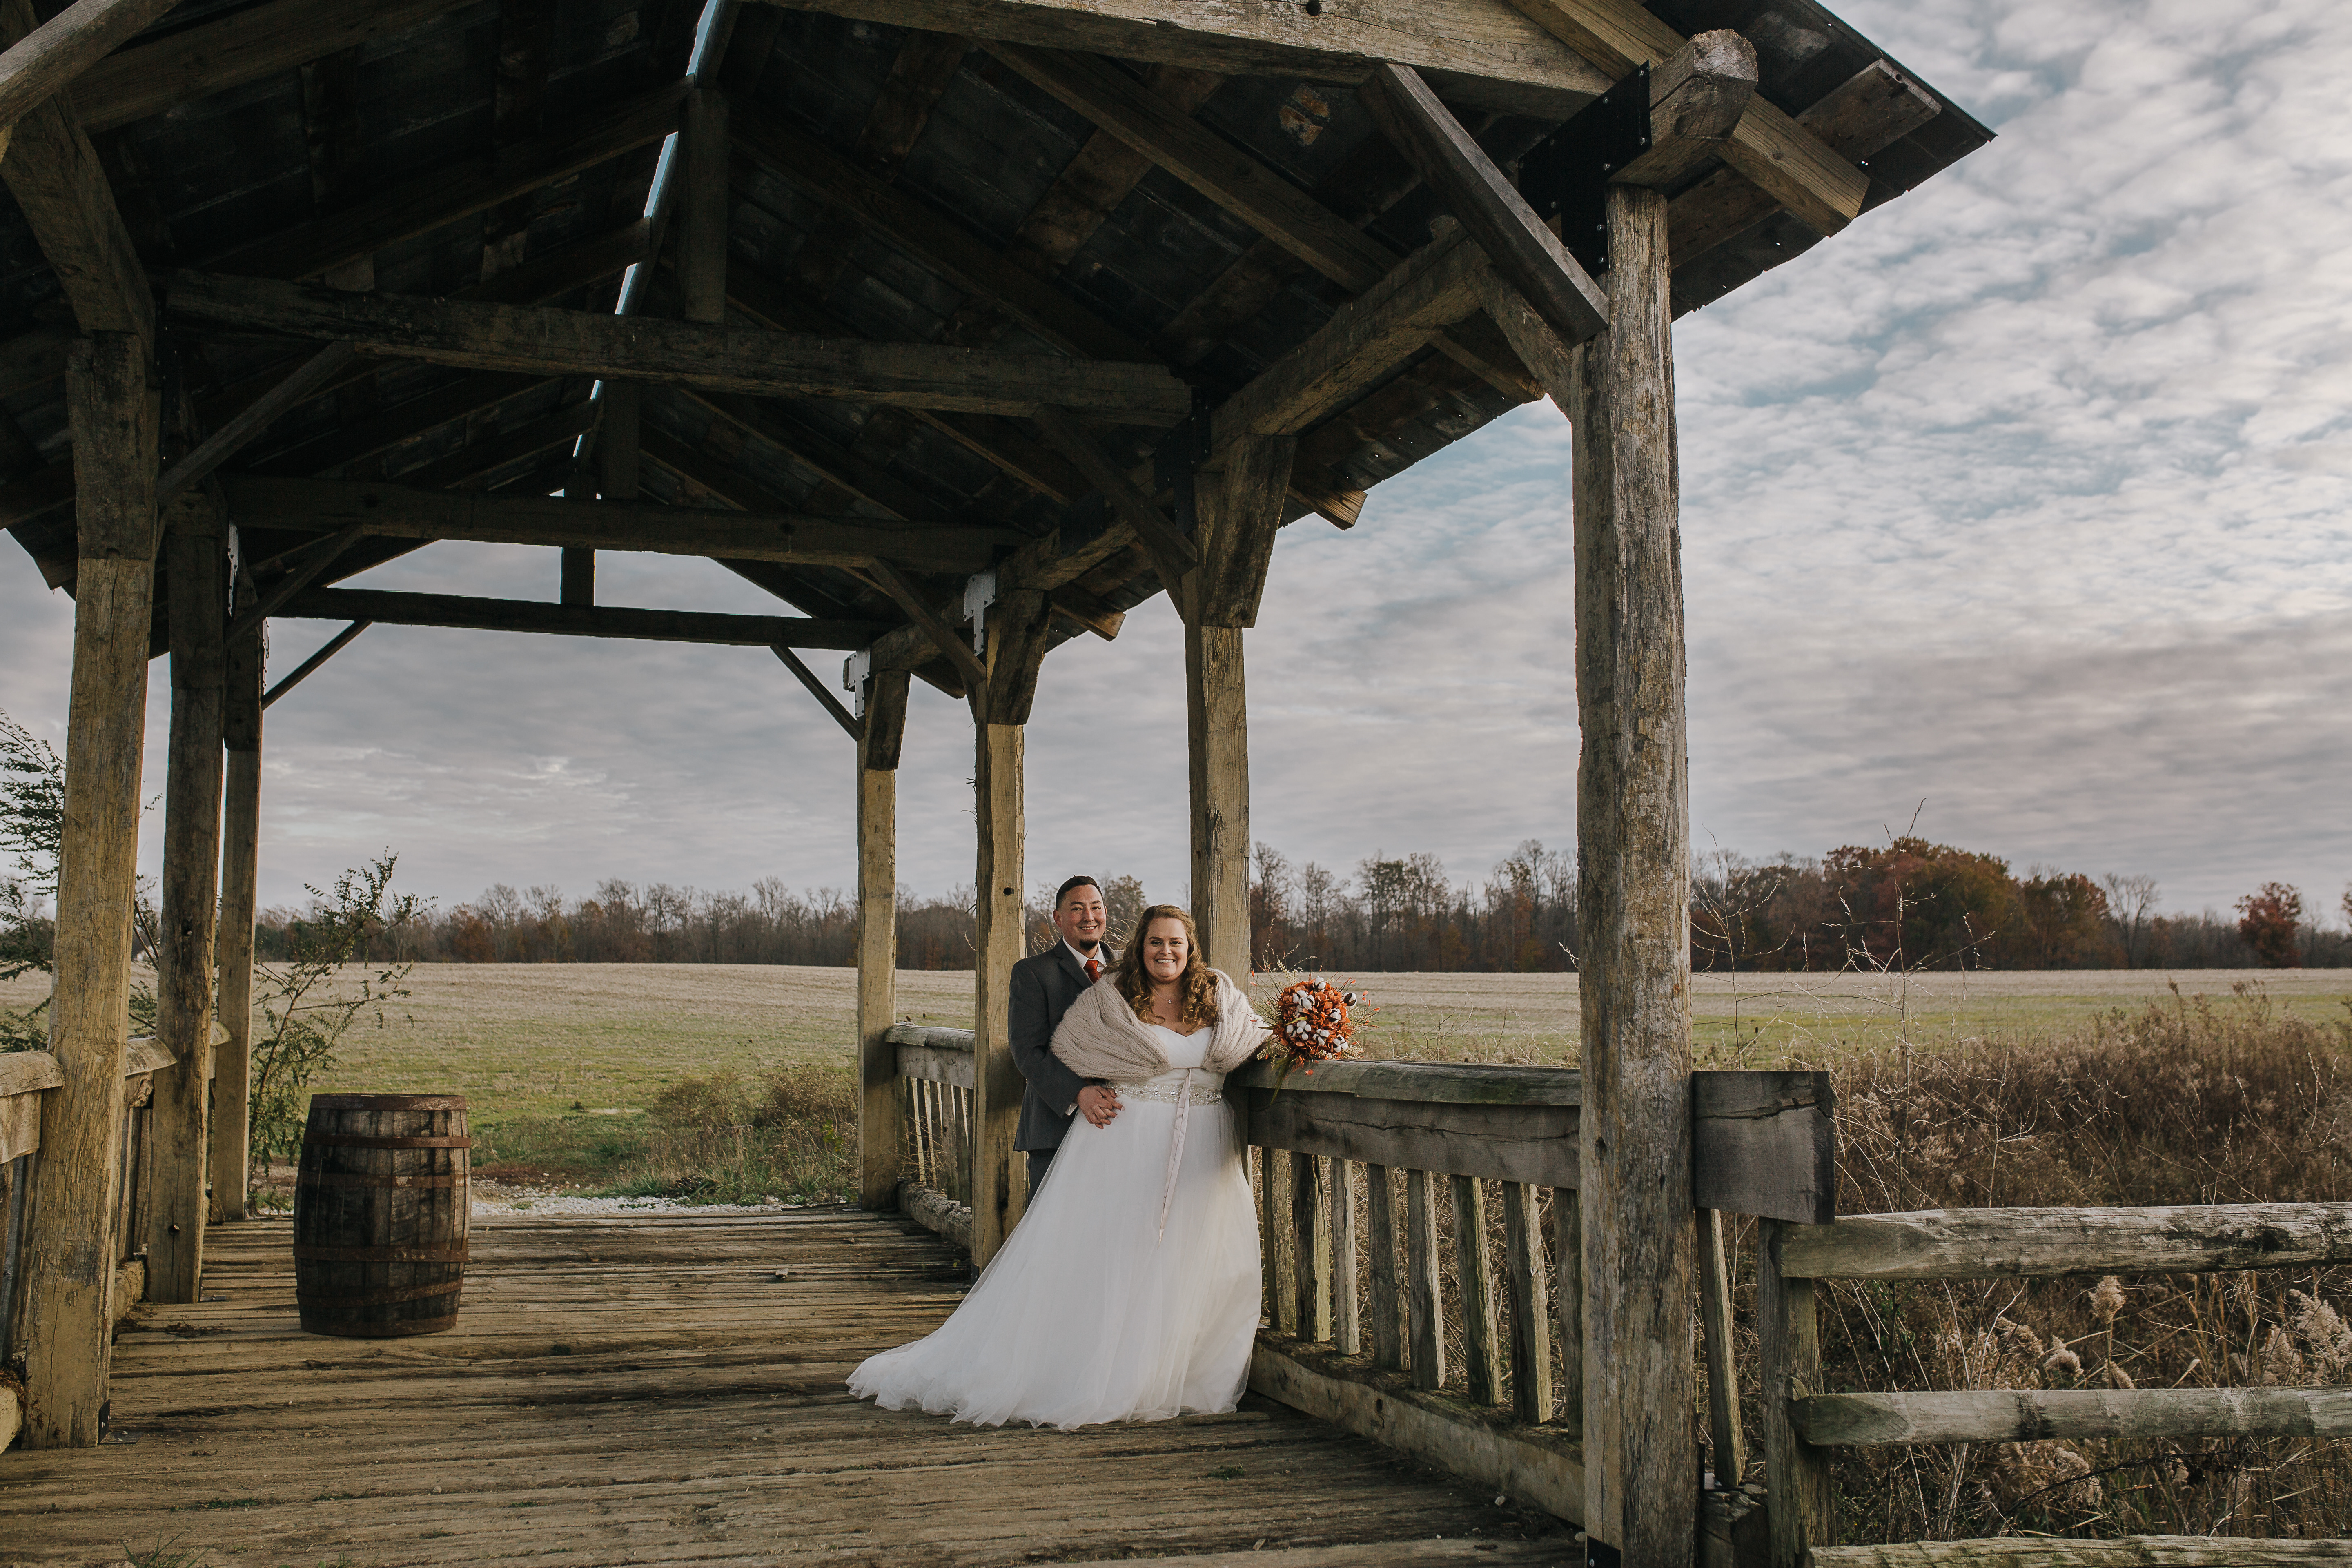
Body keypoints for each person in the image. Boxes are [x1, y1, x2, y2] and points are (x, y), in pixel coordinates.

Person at [847, 904, 1267, 1429]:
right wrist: (1082, 1091)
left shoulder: (1219, 994)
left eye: (1175, 943)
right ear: (1141, 947)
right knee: (1118, 1256)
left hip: (1205, 1142)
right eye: (1156, 942)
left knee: (1197, 1255)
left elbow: (1251, 1038)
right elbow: (1064, 1047)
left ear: (1191, 947)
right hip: (1127, 1140)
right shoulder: (1114, 996)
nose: (1166, 952)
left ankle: (1182, 1375)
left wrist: (1308, 1037)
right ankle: (1105, 1375)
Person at [1007, 875, 1123, 1196]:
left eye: (1096, 907)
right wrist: (1078, 1093)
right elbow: (1028, 1052)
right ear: (1058, 918)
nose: (1089, 917)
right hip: (1056, 1127)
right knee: (1051, 1223)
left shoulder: (1131, 970)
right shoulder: (1032, 973)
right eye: (1077, 909)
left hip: (1122, 1126)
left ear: (1105, 913)